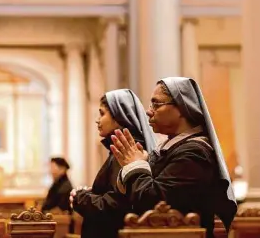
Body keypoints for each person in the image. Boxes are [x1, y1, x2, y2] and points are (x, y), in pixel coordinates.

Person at [111, 77, 237, 238]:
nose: (149, 111)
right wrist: (140, 164)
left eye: (156, 104)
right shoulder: (175, 148)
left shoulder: (194, 153)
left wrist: (135, 165)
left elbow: (154, 204)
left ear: (182, 108)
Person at [70, 89, 157, 238]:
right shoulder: (124, 149)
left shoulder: (127, 151)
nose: (97, 120)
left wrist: (80, 197)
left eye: (102, 113)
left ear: (119, 117)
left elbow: (113, 205)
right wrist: (91, 193)